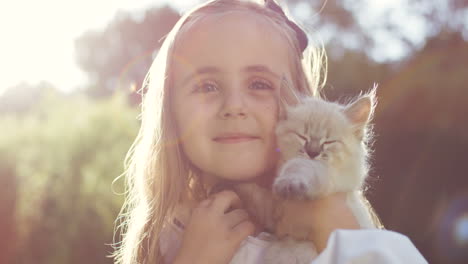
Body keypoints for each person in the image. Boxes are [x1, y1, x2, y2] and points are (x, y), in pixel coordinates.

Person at [112, 0, 428, 263]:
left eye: (260, 84)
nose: (233, 106)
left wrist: (339, 227)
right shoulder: (168, 239)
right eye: (207, 85)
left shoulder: (338, 228)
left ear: (297, 103)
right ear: (170, 110)